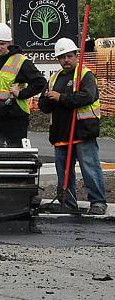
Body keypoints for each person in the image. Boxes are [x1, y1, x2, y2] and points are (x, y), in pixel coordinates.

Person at [38, 37, 107, 215]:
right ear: (58, 59)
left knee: (90, 168)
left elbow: (88, 96)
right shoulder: (54, 78)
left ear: (76, 55)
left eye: (69, 56)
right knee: (64, 171)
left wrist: (60, 97)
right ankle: (68, 203)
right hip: (61, 132)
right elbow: (43, 106)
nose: (66, 60)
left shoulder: (85, 75)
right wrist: (49, 99)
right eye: (62, 57)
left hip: (82, 131)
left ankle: (98, 202)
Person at [0, 22, 47, 148]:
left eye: (2, 44)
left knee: (15, 152)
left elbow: (40, 83)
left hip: (15, 116)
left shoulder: (21, 61)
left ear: (9, 43)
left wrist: (21, 94)